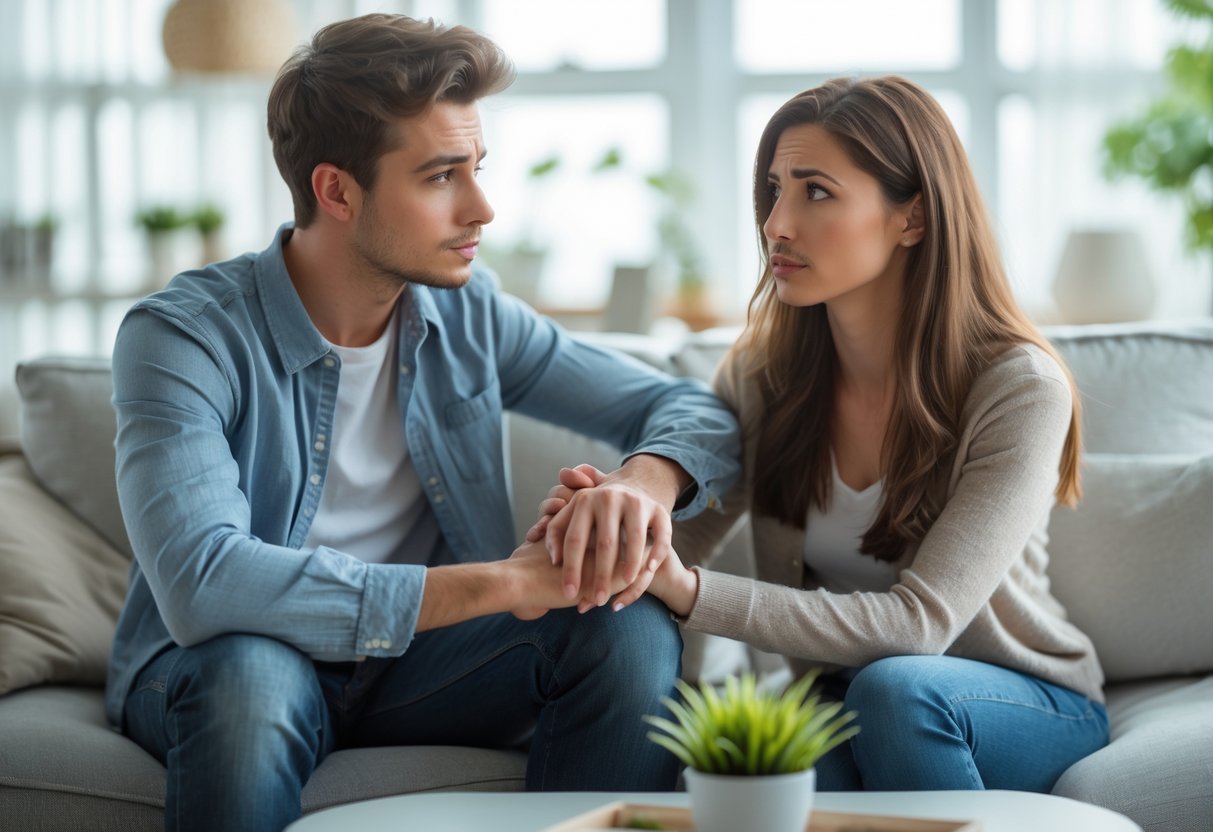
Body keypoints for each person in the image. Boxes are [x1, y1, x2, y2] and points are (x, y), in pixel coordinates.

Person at [105, 13, 741, 832]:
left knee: (625, 628)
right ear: (336, 189)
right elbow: (204, 584)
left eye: (477, 168)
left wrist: (639, 485)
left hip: (419, 665)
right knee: (251, 678)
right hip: (231, 658)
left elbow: (692, 407)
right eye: (442, 176)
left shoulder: (468, 314)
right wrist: (508, 583)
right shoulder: (184, 336)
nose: (482, 208)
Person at [535, 76, 1109, 793]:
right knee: (752, 767)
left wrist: (688, 590)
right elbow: (678, 547)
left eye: (815, 192)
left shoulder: (1017, 386)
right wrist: (605, 533)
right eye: (773, 190)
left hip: (1014, 699)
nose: (776, 223)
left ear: (913, 218)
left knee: (898, 691)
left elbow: (917, 627)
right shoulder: (763, 378)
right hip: (844, 702)